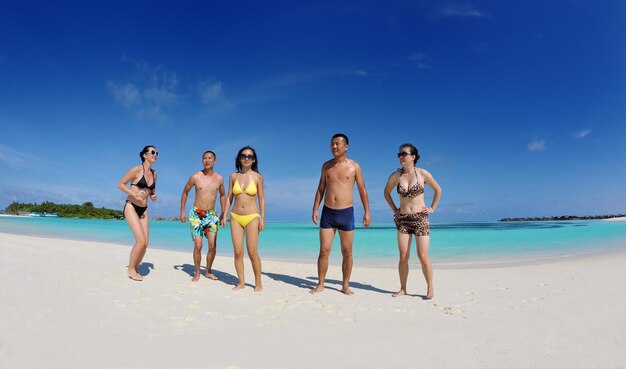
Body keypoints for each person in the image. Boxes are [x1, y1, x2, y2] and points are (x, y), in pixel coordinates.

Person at [311, 133, 371, 295]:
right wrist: (315, 208)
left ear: (346, 147)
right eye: (332, 144)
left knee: (347, 251)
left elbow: (362, 189)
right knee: (324, 250)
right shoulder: (326, 166)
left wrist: (367, 212)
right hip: (328, 213)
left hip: (346, 213)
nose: (334, 147)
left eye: (337, 144)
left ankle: (345, 285)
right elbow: (321, 188)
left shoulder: (354, 166)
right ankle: (321, 283)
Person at [383, 143, 442, 299]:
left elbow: (438, 189)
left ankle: (430, 288)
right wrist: (394, 209)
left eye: (404, 153)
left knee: (423, 255)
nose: (401, 156)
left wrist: (432, 208)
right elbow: (386, 193)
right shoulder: (396, 176)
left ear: (413, 157)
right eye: (399, 154)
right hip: (403, 219)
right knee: (403, 256)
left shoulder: (422, 173)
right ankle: (403, 288)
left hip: (420, 218)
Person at [180, 150, 227, 282]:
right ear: (202, 161)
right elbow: (185, 192)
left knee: (212, 246)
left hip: (211, 215)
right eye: (205, 158)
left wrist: (224, 213)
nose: (207, 160)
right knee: (198, 246)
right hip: (196, 214)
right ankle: (196, 272)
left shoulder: (219, 179)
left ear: (215, 161)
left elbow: (223, 195)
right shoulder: (195, 177)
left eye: (210, 158)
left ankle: (208, 271)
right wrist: (182, 211)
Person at [224, 146, 265, 291]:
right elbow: (229, 197)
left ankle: (258, 282)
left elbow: (262, 199)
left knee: (252, 252)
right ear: (239, 158)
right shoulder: (233, 176)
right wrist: (224, 214)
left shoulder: (258, 177)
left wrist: (262, 218)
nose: (247, 158)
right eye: (244, 155)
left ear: (254, 160)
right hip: (235, 217)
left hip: (252, 216)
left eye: (250, 156)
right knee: (238, 252)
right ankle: (241, 282)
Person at [117, 145, 158, 281]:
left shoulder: (154, 174)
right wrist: (133, 194)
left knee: (145, 243)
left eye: (156, 153)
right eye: (152, 152)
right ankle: (131, 269)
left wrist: (152, 195)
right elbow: (121, 184)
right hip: (131, 206)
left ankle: (135, 266)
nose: (155, 154)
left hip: (144, 209)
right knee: (140, 241)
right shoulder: (136, 169)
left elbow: (152, 189)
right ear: (145, 155)